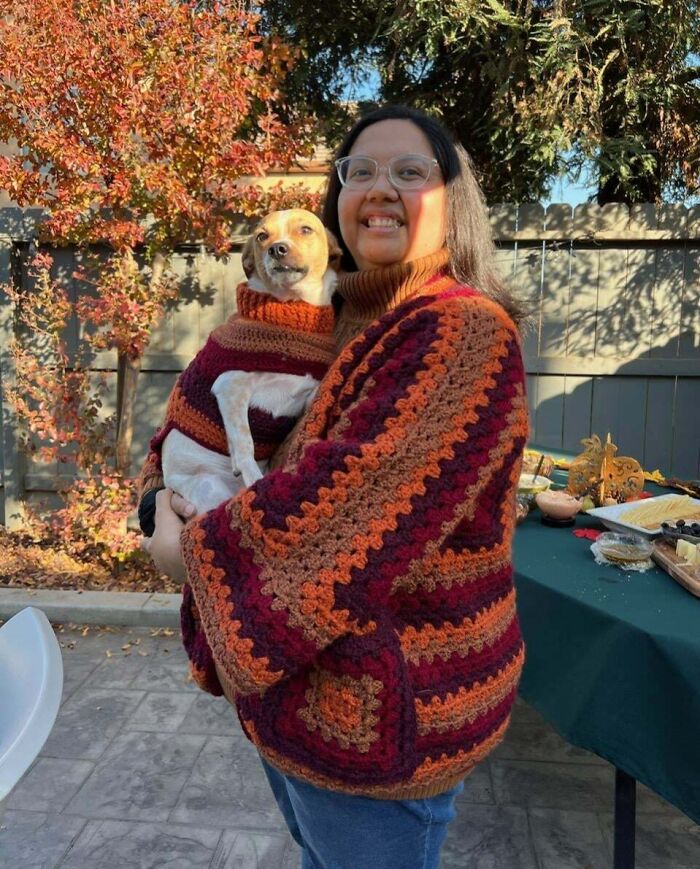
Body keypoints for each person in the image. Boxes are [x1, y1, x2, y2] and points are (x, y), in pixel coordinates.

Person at [140, 104, 529, 869]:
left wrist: (185, 550)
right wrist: (158, 495)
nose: (381, 188)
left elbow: (335, 523)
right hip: (293, 702)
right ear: (337, 201)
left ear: (454, 202)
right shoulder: (325, 319)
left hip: (385, 726)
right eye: (360, 172)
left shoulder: (461, 333)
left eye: (411, 172)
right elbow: (199, 402)